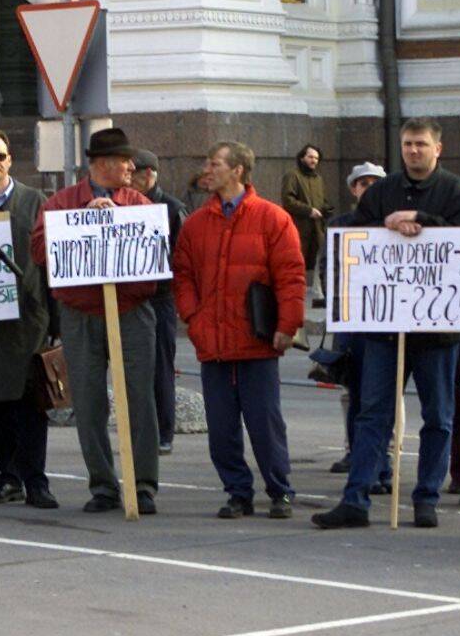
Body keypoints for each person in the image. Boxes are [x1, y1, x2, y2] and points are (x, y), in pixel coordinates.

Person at [313, 120, 460, 530]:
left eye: (421, 144)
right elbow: (357, 235)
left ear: (437, 148)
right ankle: (356, 498)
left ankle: (426, 498)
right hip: (385, 327)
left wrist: (421, 219)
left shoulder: (455, 191)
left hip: (438, 329)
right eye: (407, 144)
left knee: (438, 415)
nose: (413, 151)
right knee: (372, 414)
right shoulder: (382, 192)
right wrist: (387, 226)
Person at [31, 126, 162, 515]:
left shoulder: (138, 203)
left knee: (139, 397)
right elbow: (39, 251)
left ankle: (143, 485)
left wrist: (119, 219)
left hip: (131, 311)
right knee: (87, 402)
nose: (132, 166)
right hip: (80, 313)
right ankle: (103, 485)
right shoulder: (61, 203)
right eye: (125, 160)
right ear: (101, 165)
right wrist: (79, 222)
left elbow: (156, 249)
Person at [174, 141, 305, 518]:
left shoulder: (273, 218)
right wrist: (193, 317)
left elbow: (291, 277)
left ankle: (279, 491)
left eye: (214, 163)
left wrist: (287, 325)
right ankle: (237, 492)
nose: (206, 169)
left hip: (256, 342)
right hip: (212, 342)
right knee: (221, 429)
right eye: (207, 162)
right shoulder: (197, 222)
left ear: (238, 171)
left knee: (265, 424)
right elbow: (182, 274)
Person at [0, 129, 58, 509]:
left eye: (0, 156)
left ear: (10, 159)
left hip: (30, 317)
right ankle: (8, 477)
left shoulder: (36, 201)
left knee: (32, 402)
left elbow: (51, 260)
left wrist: (54, 318)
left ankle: (36, 479)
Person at [324, 161, 391, 492]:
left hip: (384, 322)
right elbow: (330, 273)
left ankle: (383, 465)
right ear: (353, 188)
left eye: (374, 183)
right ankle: (358, 458)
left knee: (381, 399)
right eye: (362, 183)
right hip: (352, 321)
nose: (368, 188)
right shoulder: (340, 225)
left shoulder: (391, 223)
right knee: (355, 395)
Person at [133, 149, 188, 454]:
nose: (132, 179)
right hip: (134, 298)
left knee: (160, 368)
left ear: (150, 175)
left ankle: (164, 432)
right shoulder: (125, 203)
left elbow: (182, 258)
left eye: (137, 173)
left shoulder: (171, 208)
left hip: (160, 298)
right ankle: (143, 431)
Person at [282, 144, 331, 305]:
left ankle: (319, 295)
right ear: (302, 157)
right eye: (310, 157)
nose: (313, 161)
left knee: (320, 259)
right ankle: (294, 295)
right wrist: (308, 210)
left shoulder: (318, 179)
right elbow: (288, 200)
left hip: (317, 228)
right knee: (298, 262)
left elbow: (321, 201)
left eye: (316, 158)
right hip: (299, 227)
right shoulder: (292, 176)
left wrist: (326, 209)